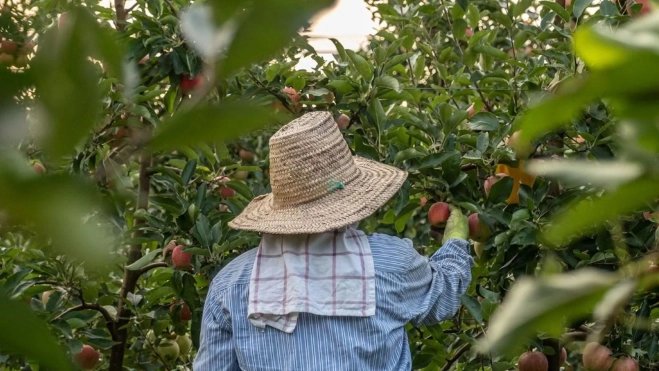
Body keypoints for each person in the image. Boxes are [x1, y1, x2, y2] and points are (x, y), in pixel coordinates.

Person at [193, 111, 474, 371]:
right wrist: (456, 241)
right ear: (354, 196)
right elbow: (445, 294)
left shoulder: (230, 286)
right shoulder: (392, 264)